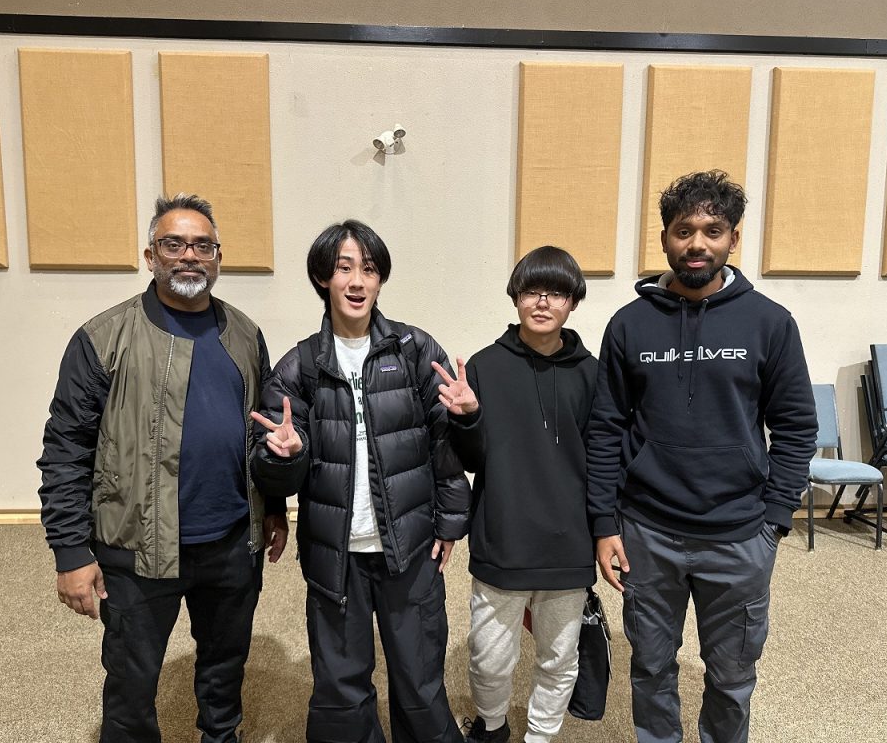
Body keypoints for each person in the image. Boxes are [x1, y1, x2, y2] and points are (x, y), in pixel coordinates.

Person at [37, 193, 286, 743]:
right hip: (136, 550)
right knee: (131, 683)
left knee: (225, 670)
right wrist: (71, 552)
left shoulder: (245, 334)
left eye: (202, 245)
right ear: (151, 256)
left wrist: (273, 509)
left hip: (231, 544)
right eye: (174, 244)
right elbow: (65, 450)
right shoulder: (103, 338)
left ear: (218, 257)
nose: (189, 256)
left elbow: (261, 431)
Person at [587, 170, 817, 743]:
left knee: (733, 678)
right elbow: (606, 428)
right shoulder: (629, 324)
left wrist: (774, 520)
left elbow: (795, 427)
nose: (697, 244)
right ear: (664, 237)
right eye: (683, 230)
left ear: (733, 238)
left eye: (713, 231)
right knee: (650, 668)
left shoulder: (769, 323)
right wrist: (604, 524)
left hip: (739, 535)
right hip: (647, 532)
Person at [250, 219, 471, 743]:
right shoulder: (300, 366)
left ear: (380, 279)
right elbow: (274, 469)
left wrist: (450, 521)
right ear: (323, 278)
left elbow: (443, 446)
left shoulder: (414, 350)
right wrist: (285, 455)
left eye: (368, 269)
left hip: (410, 547)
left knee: (420, 681)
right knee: (340, 688)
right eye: (344, 268)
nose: (356, 281)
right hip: (335, 555)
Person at [439, 246, 598, 743]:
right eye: (532, 290)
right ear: (515, 297)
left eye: (557, 292)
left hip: (569, 544)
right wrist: (468, 417)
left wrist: (605, 530)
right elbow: (469, 460)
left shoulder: (592, 373)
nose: (543, 302)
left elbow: (604, 459)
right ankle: (491, 727)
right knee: (489, 657)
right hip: (501, 538)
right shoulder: (484, 366)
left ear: (573, 302)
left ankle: (541, 735)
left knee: (559, 656)